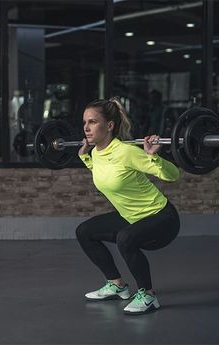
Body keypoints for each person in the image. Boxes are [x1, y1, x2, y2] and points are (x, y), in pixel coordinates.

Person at [76, 96, 181, 315]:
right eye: (85, 122)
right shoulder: (96, 153)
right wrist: (86, 158)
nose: (86, 127)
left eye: (93, 122)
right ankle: (116, 285)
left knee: (125, 238)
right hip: (131, 216)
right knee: (84, 232)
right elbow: (106, 176)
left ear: (110, 126)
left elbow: (173, 175)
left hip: (162, 218)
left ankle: (148, 296)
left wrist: (154, 157)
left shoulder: (127, 152)